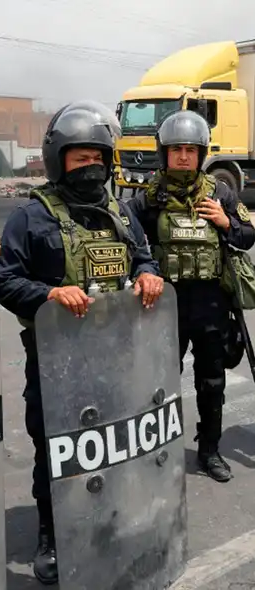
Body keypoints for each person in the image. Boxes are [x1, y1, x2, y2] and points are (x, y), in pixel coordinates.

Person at [0, 101, 166, 585]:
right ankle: (52, 533)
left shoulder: (120, 212)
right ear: (59, 161)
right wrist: (48, 294)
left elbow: (143, 257)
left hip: (116, 355)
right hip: (56, 360)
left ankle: (109, 520)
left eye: (97, 158)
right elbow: (5, 280)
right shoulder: (30, 217)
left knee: (114, 442)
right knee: (55, 448)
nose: (90, 166)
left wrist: (148, 275)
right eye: (79, 158)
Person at [125, 109, 255, 483]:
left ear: (201, 154)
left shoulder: (220, 193)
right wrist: (142, 272)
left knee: (211, 381)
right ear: (164, 153)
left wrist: (226, 222)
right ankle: (158, 451)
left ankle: (210, 450)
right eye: (176, 149)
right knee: (161, 380)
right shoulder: (149, 198)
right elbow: (126, 239)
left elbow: (248, 236)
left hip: (211, 304)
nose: (183, 157)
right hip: (165, 305)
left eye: (190, 150)